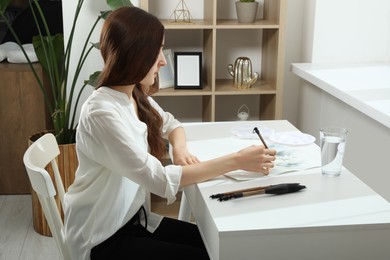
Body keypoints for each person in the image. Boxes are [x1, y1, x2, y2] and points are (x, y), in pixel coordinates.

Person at [63, 6, 276, 260]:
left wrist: (180, 149)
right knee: (205, 254)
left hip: (132, 222)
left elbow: (172, 124)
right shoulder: (101, 114)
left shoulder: (133, 95)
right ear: (135, 55)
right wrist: (237, 161)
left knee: (214, 245)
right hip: (102, 239)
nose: (163, 60)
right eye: (157, 52)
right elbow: (161, 180)